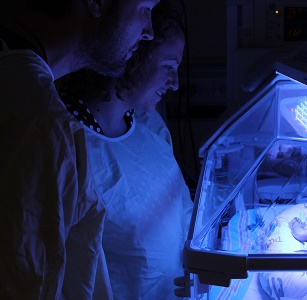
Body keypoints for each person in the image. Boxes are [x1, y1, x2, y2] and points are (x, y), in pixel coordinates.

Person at [0, 0, 158, 298]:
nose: (149, 31)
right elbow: (23, 285)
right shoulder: (38, 122)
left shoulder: (10, 74)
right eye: (144, 7)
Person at [56, 0, 193, 298]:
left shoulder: (150, 126)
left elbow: (184, 212)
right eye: (168, 66)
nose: (175, 83)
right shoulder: (69, 147)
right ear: (134, 56)